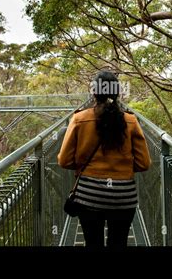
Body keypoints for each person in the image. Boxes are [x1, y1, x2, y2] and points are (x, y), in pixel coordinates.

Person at [57, 71, 151, 248]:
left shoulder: (79, 119)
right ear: (117, 93)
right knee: (118, 243)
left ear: (94, 92)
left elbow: (64, 161)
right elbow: (144, 163)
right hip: (124, 197)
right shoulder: (131, 120)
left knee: (93, 243)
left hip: (88, 196)